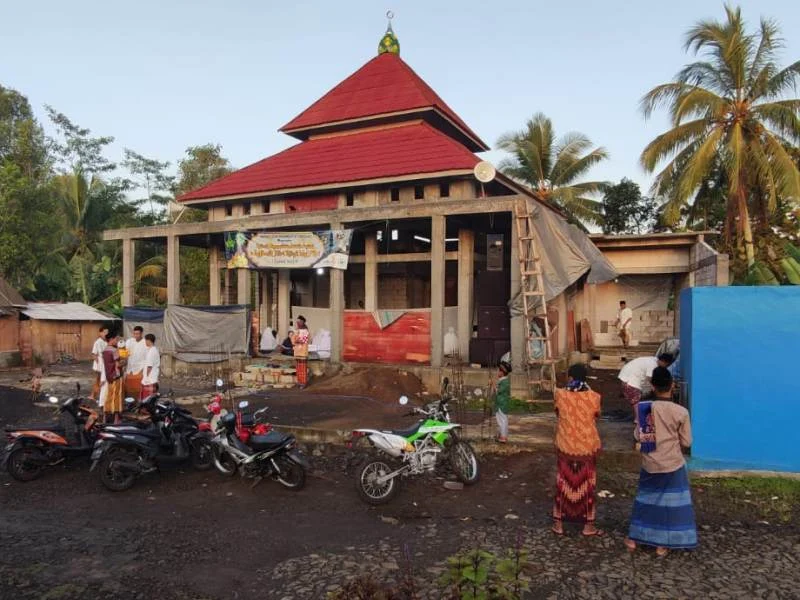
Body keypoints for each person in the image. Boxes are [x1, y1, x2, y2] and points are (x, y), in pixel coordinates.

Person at [625, 367, 696, 557]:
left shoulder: (645, 408)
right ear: (672, 385)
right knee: (670, 506)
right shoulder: (681, 412)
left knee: (645, 502)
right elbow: (687, 442)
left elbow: (641, 438)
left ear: (652, 385)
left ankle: (634, 539)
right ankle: (662, 544)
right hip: (672, 463)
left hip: (650, 463)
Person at [552, 364, 603, 537]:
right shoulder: (594, 396)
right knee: (587, 486)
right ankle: (588, 527)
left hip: (565, 445)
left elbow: (558, 413)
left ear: (570, 377)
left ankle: (558, 524)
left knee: (563, 484)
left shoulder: (559, 394)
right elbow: (597, 415)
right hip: (587, 447)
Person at [100, 334, 124, 424]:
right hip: (116, 376)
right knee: (117, 396)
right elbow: (118, 364)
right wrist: (124, 362)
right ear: (111, 339)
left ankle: (105, 417)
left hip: (109, 376)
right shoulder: (114, 350)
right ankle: (116, 419)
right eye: (116, 339)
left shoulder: (105, 350)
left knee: (109, 396)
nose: (117, 341)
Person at [124, 326, 148, 398]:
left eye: (138, 334)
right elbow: (125, 353)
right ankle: (130, 402)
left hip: (140, 368)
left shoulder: (145, 343)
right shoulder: (129, 341)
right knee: (129, 387)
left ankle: (139, 402)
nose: (136, 336)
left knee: (139, 387)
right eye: (134, 334)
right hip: (130, 368)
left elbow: (147, 357)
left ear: (141, 334)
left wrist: (143, 369)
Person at [90, 326, 108, 405]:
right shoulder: (98, 342)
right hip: (100, 363)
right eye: (104, 332)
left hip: (105, 362)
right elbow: (94, 354)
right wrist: (98, 364)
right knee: (99, 380)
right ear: (100, 333)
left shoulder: (106, 341)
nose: (106, 334)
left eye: (107, 332)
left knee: (102, 380)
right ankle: (93, 395)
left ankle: (96, 395)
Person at [494, 357, 511, 443]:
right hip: (499, 403)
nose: (498, 372)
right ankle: (501, 435)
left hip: (502, 404)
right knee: (499, 420)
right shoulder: (502, 380)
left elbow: (499, 391)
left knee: (503, 420)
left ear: (502, 372)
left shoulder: (505, 382)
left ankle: (503, 436)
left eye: (499, 371)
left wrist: (493, 385)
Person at [292, 315, 310, 388]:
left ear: (302, 322)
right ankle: (299, 382)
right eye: (297, 321)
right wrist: (295, 339)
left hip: (302, 352)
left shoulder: (305, 331)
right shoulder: (296, 330)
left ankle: (303, 383)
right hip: (297, 352)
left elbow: (303, 340)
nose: (297, 323)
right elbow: (293, 340)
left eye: (299, 321)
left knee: (302, 368)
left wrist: (296, 339)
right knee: (298, 368)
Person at [140, 334, 160, 399]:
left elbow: (149, 366)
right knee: (149, 399)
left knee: (147, 399)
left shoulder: (152, 351)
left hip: (149, 379)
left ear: (148, 340)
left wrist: (146, 377)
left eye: (145, 340)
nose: (145, 342)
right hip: (151, 378)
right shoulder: (153, 349)